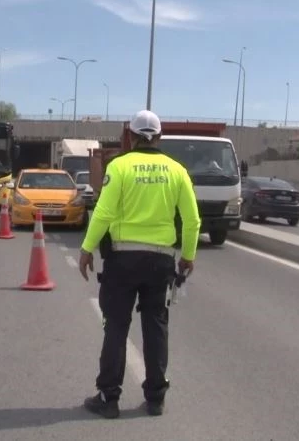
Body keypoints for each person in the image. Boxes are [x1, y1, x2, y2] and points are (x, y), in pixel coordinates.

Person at [77, 109, 201, 419]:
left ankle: (108, 398)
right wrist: (188, 256)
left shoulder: (119, 166)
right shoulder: (177, 170)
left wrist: (87, 248)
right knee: (156, 326)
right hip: (161, 260)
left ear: (130, 137)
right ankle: (156, 399)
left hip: (122, 259)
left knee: (116, 327)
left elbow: (103, 212)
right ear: (159, 137)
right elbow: (192, 220)